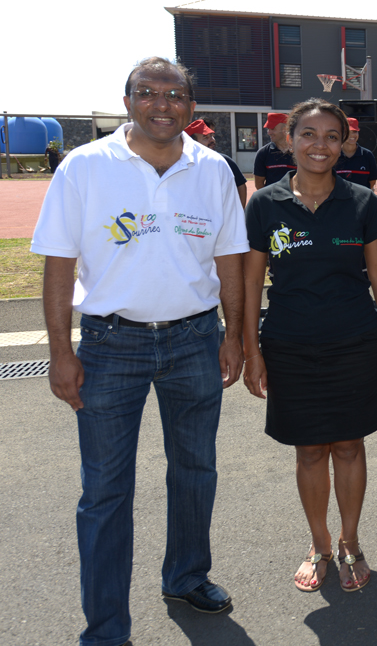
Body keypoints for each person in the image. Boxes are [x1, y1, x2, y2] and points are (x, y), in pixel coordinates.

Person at [31, 56, 247, 644]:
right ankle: (105, 628)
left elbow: (230, 260)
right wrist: (60, 351)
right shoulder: (84, 167)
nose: (162, 103)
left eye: (174, 93)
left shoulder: (213, 171)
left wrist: (235, 335)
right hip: (109, 343)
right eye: (147, 93)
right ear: (127, 102)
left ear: (191, 106)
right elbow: (58, 264)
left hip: (195, 340)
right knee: (104, 491)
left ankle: (186, 575)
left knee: (196, 469)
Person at [242, 98, 377, 594]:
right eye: (309, 134)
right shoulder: (265, 204)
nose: (320, 145)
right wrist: (251, 349)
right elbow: (249, 285)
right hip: (288, 344)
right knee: (310, 450)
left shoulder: (361, 202)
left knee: (350, 445)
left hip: (353, 342)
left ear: (345, 143)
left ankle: (351, 541)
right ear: (288, 139)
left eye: (332, 136)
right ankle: (320, 543)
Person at [185, 119, 248, 207]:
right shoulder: (183, 165)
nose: (212, 140)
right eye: (206, 137)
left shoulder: (224, 161)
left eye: (212, 136)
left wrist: (240, 211)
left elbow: (240, 185)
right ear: (193, 143)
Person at [334, 117, 377, 190]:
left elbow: (372, 181)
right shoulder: (334, 154)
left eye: (355, 131)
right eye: (348, 132)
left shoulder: (367, 155)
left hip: (361, 200)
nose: (352, 135)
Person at [253, 112, 295, 189]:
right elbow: (259, 184)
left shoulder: (299, 151)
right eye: (268, 129)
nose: (269, 133)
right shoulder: (263, 153)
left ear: (285, 130)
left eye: (272, 129)